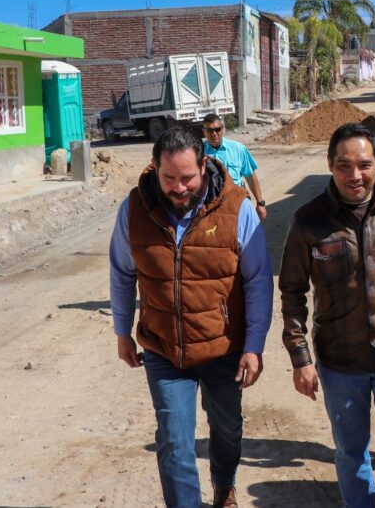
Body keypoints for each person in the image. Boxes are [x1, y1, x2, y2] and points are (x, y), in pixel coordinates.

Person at [110, 126, 273, 508]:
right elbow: (122, 272)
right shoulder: (134, 210)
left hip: (223, 348)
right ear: (154, 168)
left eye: (188, 178)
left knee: (227, 431)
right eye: (169, 178)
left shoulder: (237, 208)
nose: (179, 188)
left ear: (204, 166)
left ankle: (223, 485)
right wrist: (122, 331)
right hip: (164, 349)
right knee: (173, 440)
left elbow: (258, 281)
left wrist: (254, 346)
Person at [279, 122, 375, 508]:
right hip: (340, 360)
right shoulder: (309, 220)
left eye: (364, 165)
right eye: (344, 166)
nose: (355, 175)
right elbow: (292, 292)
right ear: (330, 165)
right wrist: (301, 358)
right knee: (351, 451)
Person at [202, 113, 268, 220]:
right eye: (210, 130)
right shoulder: (198, 153)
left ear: (223, 129)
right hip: (212, 207)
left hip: (238, 202)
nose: (214, 133)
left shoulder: (239, 149)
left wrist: (260, 203)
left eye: (217, 129)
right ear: (204, 131)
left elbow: (250, 177)